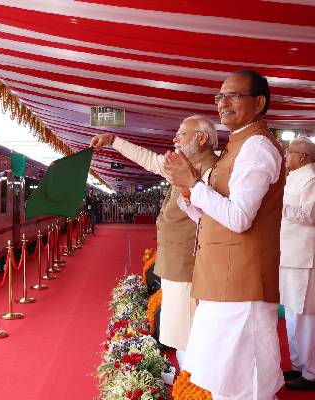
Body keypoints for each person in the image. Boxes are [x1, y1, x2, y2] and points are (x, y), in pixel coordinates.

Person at [163, 70, 285, 400]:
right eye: (219, 96)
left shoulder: (257, 148)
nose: (223, 103)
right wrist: (187, 191)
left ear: (258, 103)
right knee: (222, 380)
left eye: (233, 96)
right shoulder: (237, 147)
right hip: (222, 280)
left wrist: (193, 184)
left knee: (242, 384)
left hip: (240, 284)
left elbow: (240, 217)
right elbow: (211, 216)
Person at [90, 115, 219, 367]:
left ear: (202, 138)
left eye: (182, 133)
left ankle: (195, 384)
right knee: (180, 329)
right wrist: (113, 140)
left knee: (188, 330)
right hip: (175, 260)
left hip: (189, 263)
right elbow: (149, 159)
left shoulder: (211, 170)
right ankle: (190, 380)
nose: (175, 139)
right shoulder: (186, 165)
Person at [279, 137, 315, 391]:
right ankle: (298, 365)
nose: (285, 155)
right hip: (288, 255)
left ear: (303, 156)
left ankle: (312, 372)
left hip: (304, 258)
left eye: (289, 152)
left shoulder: (311, 178)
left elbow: (310, 215)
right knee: (291, 314)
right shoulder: (292, 176)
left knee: (305, 317)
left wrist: (278, 207)